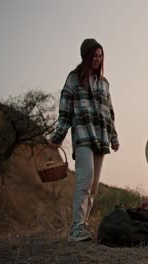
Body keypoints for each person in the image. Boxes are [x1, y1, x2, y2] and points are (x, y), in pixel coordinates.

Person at [50, 38, 120, 242]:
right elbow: (65, 110)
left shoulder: (104, 83)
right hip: (82, 135)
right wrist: (58, 137)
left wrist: (114, 137)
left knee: (94, 185)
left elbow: (110, 112)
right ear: (86, 56)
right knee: (85, 179)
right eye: (94, 56)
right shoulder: (73, 79)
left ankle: (84, 224)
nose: (98, 59)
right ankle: (76, 227)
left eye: (101, 56)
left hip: (101, 137)